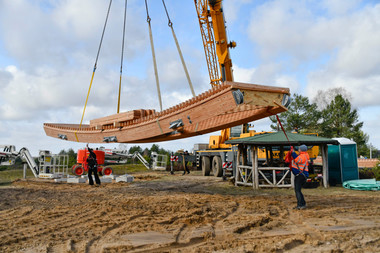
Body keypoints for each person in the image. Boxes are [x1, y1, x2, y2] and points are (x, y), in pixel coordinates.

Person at [291, 144, 309, 210]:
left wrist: (293, 152)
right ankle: (302, 203)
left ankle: (300, 205)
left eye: (299, 149)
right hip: (301, 175)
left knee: (297, 191)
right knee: (298, 190)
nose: (298, 150)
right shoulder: (304, 155)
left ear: (301, 149)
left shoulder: (303, 156)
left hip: (300, 175)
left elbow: (298, 160)